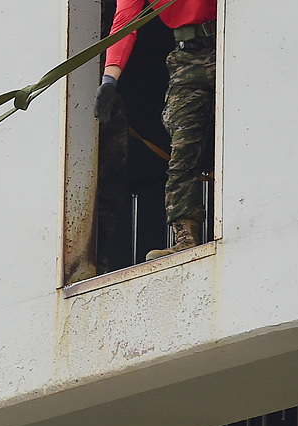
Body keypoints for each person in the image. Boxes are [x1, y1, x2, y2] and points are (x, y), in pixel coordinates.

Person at [95, 0, 217, 260]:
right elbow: (125, 22)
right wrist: (109, 81)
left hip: (233, 40)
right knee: (182, 145)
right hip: (188, 56)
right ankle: (185, 235)